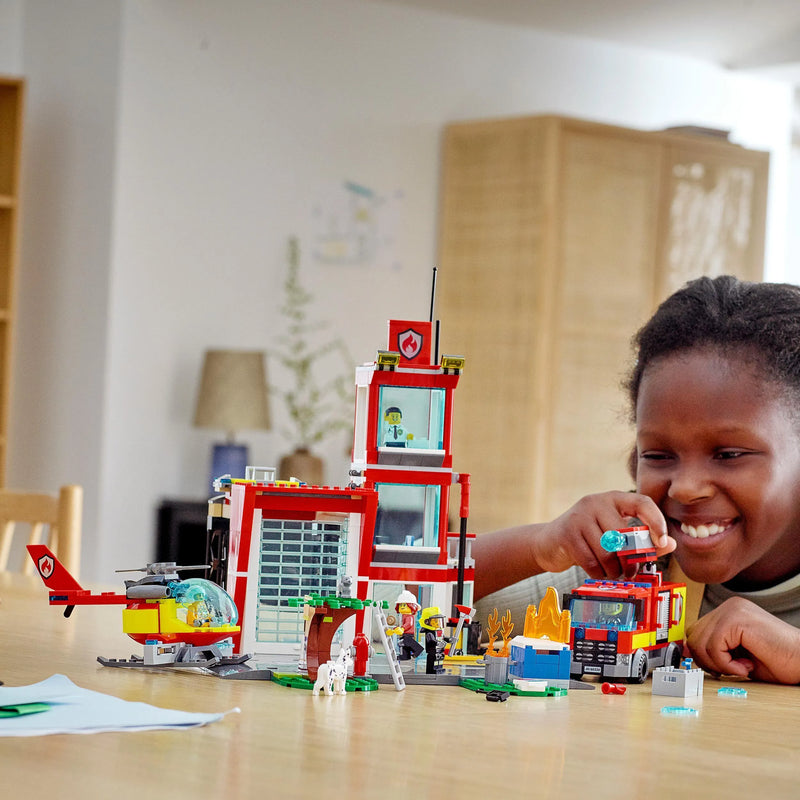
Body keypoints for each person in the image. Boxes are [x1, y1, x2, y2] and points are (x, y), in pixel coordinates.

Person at [473, 275, 800, 684]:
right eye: (658, 455)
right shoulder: (636, 564)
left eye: (729, 454)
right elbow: (409, 600)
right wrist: (541, 546)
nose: (685, 487)